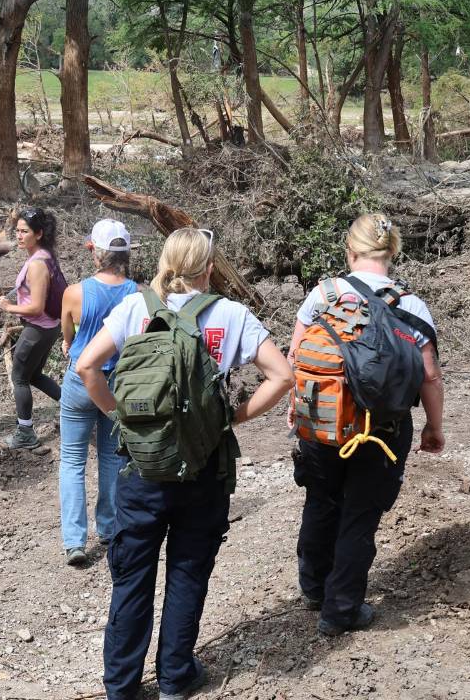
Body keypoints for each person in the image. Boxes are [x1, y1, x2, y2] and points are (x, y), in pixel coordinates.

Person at [75, 228, 294, 700]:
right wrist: (231, 418)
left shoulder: (135, 307)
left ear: (166, 262)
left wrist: (120, 417)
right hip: (203, 466)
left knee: (132, 577)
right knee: (188, 571)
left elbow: (86, 367)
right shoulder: (231, 314)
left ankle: (121, 687)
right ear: (209, 269)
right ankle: (175, 678)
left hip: (143, 467)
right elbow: (282, 376)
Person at [287, 213, 445, 635]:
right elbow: (429, 375)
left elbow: (296, 357)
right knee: (359, 514)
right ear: (392, 251)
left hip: (322, 419)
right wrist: (434, 426)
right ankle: (340, 611)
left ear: (350, 251)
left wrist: (297, 407)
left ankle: (314, 588)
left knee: (320, 501)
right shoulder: (410, 305)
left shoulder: (322, 295)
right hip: (381, 428)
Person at [58, 219, 138, 567]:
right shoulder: (137, 294)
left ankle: (74, 541)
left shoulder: (75, 292)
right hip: (116, 382)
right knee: (111, 456)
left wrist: (70, 343)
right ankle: (108, 526)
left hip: (80, 380)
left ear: (95, 251)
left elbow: (67, 334)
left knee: (72, 459)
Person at [0, 207, 63, 450]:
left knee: (20, 378)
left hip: (38, 328)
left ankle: (26, 433)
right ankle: (73, 407)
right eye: (17, 231)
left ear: (39, 233)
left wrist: (8, 307)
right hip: (48, 327)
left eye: (24, 231)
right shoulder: (44, 255)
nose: (19, 235)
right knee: (33, 375)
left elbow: (36, 307)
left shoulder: (37, 264)